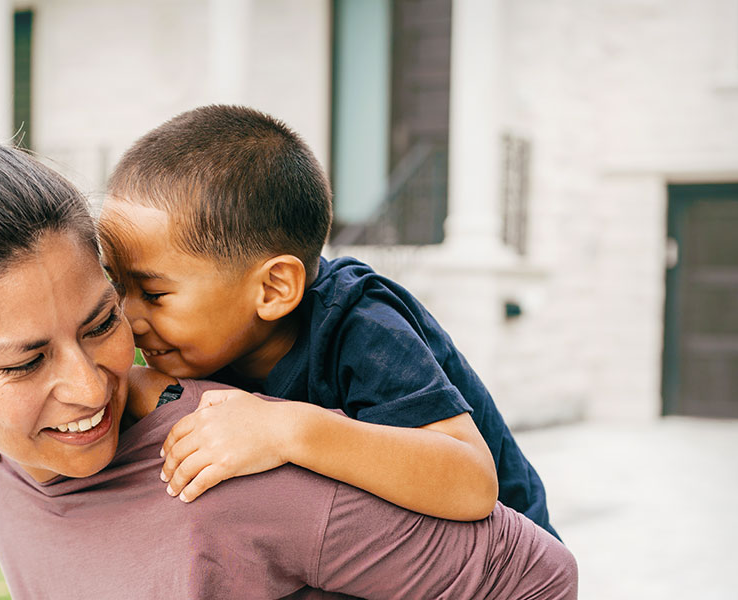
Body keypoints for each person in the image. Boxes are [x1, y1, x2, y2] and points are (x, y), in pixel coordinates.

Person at [0, 120, 578, 598]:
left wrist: (287, 432)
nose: (91, 382)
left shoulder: (353, 334)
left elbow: (486, 505)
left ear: (272, 288)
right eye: (21, 363)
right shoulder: (1, 468)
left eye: (107, 317)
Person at [80, 104, 558, 538]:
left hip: (501, 573)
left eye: (154, 293)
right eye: (117, 286)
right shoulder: (208, 342)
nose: (129, 316)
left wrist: (288, 430)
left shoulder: (362, 326)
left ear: (272, 289)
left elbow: (472, 481)